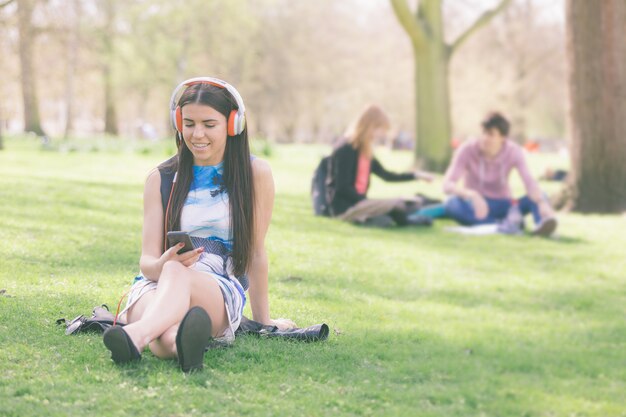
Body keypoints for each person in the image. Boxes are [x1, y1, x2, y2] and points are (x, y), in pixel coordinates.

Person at [102, 77, 295, 372]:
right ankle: (179, 346)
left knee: (174, 274)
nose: (197, 134)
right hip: (155, 283)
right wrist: (164, 263)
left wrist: (264, 322)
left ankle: (134, 335)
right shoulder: (161, 178)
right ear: (178, 122)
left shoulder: (255, 173)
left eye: (209, 124)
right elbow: (147, 261)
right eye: (189, 123)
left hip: (217, 287)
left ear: (233, 125)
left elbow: (256, 253)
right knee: (167, 324)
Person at [442, 111, 558, 236]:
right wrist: (471, 194)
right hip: (476, 207)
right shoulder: (467, 149)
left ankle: (543, 226)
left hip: (504, 205)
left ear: (503, 138)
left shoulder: (513, 151)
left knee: (541, 195)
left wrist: (541, 202)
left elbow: (529, 182)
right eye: (484, 133)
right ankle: (503, 225)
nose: (486, 138)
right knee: (451, 203)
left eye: (491, 134)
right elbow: (447, 184)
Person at [326, 105, 434, 227]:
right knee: (398, 204)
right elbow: (342, 187)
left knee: (405, 205)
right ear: (370, 126)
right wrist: (366, 201)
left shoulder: (365, 151)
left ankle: (374, 219)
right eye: (380, 130)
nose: (380, 135)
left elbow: (387, 175)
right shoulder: (346, 148)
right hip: (345, 207)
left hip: (360, 204)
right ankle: (403, 221)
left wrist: (416, 175)